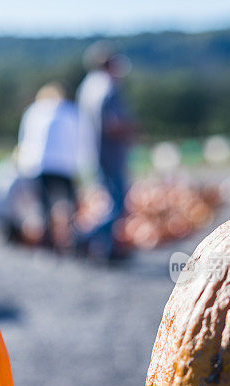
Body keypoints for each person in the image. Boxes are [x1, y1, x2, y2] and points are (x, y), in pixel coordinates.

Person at [76, 41, 135, 261]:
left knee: (108, 201)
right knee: (117, 204)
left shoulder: (87, 86)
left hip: (93, 151)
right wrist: (131, 129)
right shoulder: (107, 87)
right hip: (110, 152)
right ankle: (84, 236)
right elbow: (111, 123)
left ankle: (104, 248)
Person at [16, 82, 83, 250]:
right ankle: (69, 237)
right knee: (69, 202)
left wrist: (23, 159)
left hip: (40, 162)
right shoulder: (70, 111)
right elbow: (79, 137)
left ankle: (48, 238)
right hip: (65, 163)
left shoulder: (34, 111)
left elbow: (25, 136)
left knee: (44, 204)